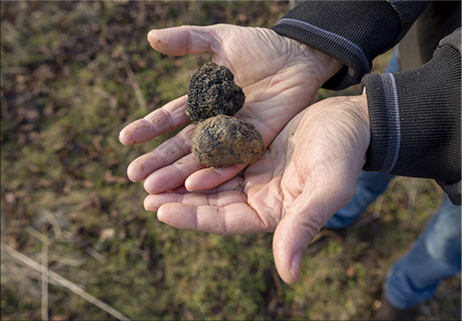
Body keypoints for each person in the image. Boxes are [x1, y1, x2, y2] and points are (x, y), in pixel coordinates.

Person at [119, 1, 460, 318]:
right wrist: (315, 37)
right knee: (361, 168)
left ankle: (403, 295)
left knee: (448, 240)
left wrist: (397, 110)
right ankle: (340, 215)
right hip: (429, 49)